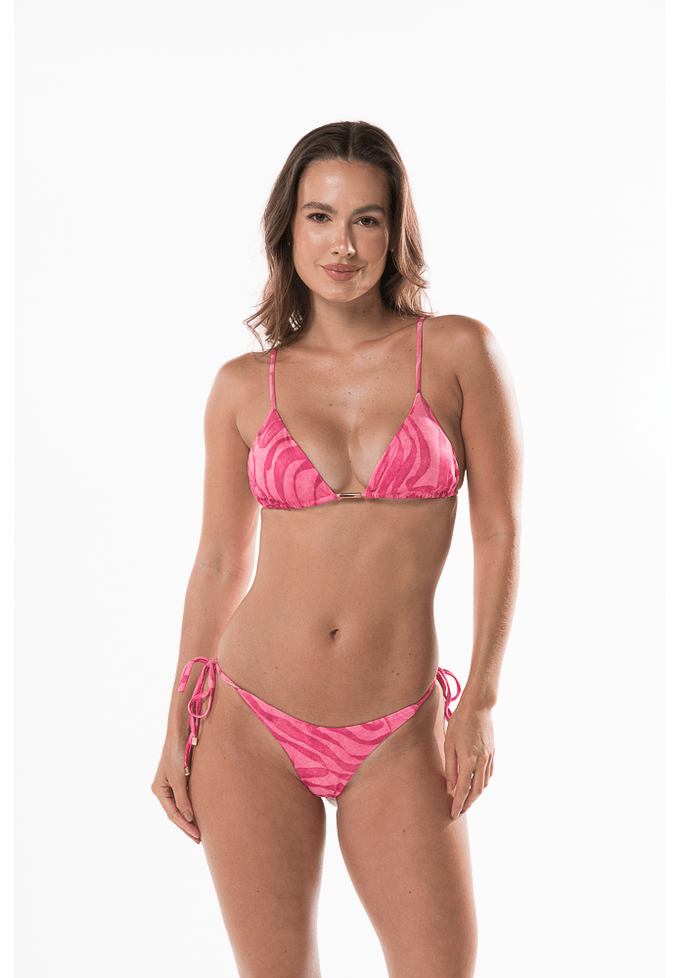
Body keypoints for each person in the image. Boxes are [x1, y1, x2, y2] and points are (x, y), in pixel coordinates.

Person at [152, 120, 522, 978]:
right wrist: (178, 715)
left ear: (396, 231)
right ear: (288, 228)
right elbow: (219, 562)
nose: (342, 244)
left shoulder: (458, 352)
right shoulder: (244, 386)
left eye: (366, 219)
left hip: (398, 729)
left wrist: (481, 700)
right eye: (320, 216)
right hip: (250, 722)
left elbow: (499, 531)